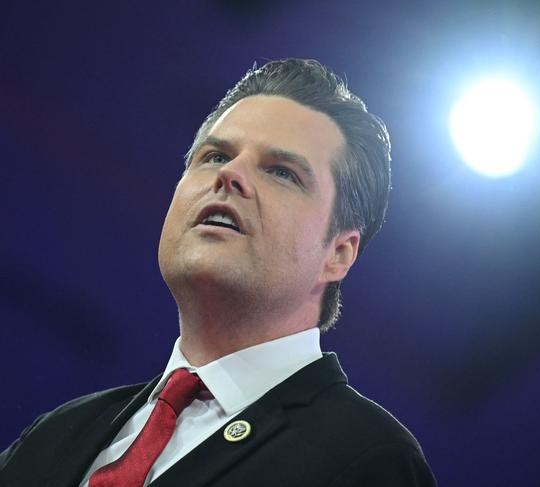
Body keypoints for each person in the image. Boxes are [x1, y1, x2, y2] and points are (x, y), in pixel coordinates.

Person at [0, 58, 435, 486]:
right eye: (214, 156)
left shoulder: (368, 458)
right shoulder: (53, 436)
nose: (230, 174)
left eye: (281, 172)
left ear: (338, 253)